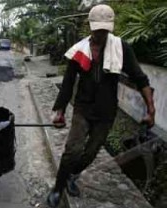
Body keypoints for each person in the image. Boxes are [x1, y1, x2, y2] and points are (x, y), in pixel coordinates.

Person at [46, 4, 155, 207]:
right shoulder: (78, 51)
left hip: (106, 111)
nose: (101, 33)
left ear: (110, 27)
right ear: (90, 27)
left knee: (91, 152)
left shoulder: (121, 48)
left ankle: (72, 175)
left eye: (105, 29)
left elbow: (141, 79)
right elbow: (68, 84)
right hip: (83, 108)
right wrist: (59, 111)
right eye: (97, 29)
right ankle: (58, 188)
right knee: (72, 149)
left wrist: (151, 109)